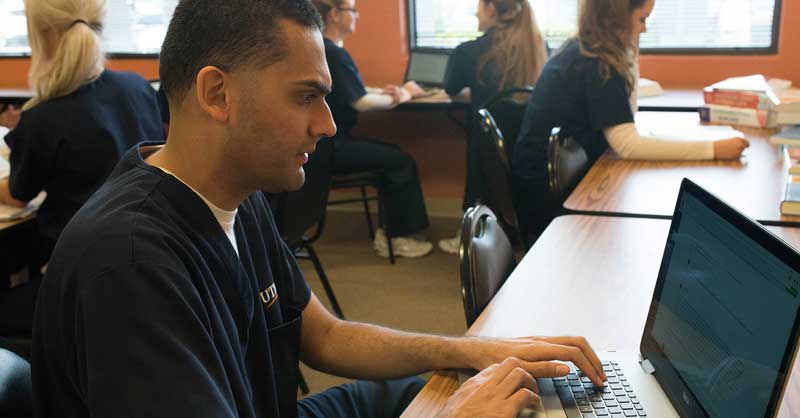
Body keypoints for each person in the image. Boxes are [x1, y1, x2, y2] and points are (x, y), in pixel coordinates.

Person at [32, 1, 609, 417]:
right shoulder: (131, 263)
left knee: (466, 386)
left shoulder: (238, 196)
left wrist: (474, 351)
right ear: (217, 94)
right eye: (305, 96)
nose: (328, 124)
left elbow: (326, 337)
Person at [512, 0, 749, 243]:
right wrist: (714, 149)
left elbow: (629, 115)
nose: (644, 30)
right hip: (547, 201)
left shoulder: (588, 50)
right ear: (617, 17)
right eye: (642, 19)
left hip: (556, 185)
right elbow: (627, 144)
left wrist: (629, 51)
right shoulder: (595, 63)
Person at [0, 0, 163, 262]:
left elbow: (19, 196)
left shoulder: (42, 117)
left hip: (78, 264)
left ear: (40, 36)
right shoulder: (138, 87)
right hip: (149, 251)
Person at [312, 0, 433, 258]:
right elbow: (361, 102)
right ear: (335, 14)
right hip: (331, 148)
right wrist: (402, 95)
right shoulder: (333, 53)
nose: (357, 15)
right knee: (400, 161)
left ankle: (393, 231)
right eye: (352, 10)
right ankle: (397, 236)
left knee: (394, 156)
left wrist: (387, 91)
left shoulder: (322, 49)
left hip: (321, 145)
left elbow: (353, 89)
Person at [439, 0, 548, 254]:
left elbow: (452, 91)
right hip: (530, 147)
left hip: (487, 148)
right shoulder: (538, 47)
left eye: (479, 5)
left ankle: (471, 229)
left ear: (491, 8)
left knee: (480, 137)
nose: (476, 11)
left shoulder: (467, 52)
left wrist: (479, 94)